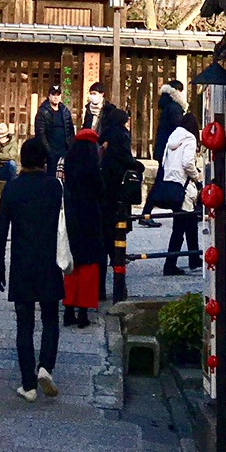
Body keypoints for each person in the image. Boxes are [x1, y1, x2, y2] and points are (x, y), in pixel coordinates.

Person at [0, 137, 64, 402]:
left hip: (22, 261)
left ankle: (28, 384)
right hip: (49, 260)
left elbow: (1, 231)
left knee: (24, 324)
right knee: (50, 318)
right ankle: (46, 366)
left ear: (22, 159)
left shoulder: (12, 189)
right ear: (45, 161)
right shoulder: (55, 187)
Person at [60, 125, 104, 327]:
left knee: (72, 267)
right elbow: (100, 191)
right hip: (91, 218)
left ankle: (68, 309)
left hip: (71, 216)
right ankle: (83, 313)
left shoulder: (68, 162)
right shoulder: (93, 167)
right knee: (89, 267)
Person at [97, 100, 137, 304]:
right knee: (116, 242)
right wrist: (137, 166)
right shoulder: (120, 135)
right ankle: (119, 288)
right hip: (117, 193)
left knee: (103, 244)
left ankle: (100, 288)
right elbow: (125, 159)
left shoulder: (105, 134)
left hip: (102, 193)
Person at [139, 77, 187, 225]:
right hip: (170, 151)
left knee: (163, 179)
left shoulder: (166, 105)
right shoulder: (175, 107)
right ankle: (147, 213)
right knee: (165, 180)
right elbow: (177, 129)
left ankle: (150, 213)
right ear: (177, 91)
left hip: (163, 149)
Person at [161, 111, 204, 275]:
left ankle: (194, 257)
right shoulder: (190, 139)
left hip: (173, 185)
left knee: (191, 224)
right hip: (185, 187)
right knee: (179, 228)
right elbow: (187, 163)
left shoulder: (172, 138)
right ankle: (169, 264)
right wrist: (196, 176)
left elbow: (164, 161)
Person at [34, 83, 76, 167]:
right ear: (49, 96)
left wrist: (71, 147)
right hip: (50, 150)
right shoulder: (43, 111)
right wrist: (48, 150)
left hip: (64, 149)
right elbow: (40, 133)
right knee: (51, 175)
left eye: (58, 95)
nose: (56, 97)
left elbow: (70, 130)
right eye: (53, 95)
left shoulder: (65, 110)